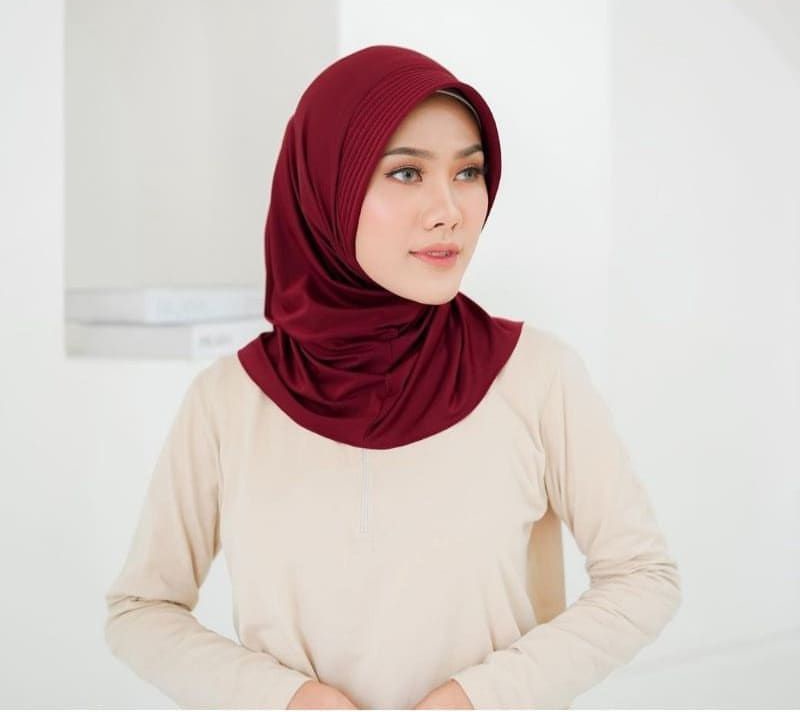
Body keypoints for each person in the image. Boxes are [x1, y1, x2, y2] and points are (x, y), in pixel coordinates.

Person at [103, 45, 682, 710]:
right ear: (327, 186)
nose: (450, 210)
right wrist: (286, 700)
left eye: (469, 172)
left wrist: (479, 699)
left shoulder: (535, 375)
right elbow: (141, 610)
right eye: (407, 172)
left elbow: (643, 576)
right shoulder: (229, 401)